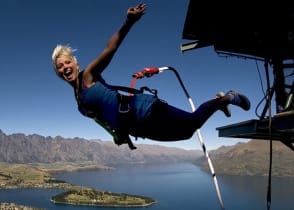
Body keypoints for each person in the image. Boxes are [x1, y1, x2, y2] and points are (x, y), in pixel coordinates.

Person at [51, 3, 250, 149]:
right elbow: (101, 119)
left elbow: (110, 48)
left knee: (191, 124)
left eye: (67, 62)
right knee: (187, 133)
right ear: (57, 72)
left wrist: (128, 22)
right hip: (137, 127)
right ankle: (219, 103)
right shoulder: (79, 100)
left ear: (75, 63)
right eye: (60, 67)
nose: (65, 68)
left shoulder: (88, 76)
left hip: (143, 109)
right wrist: (118, 134)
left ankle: (227, 98)